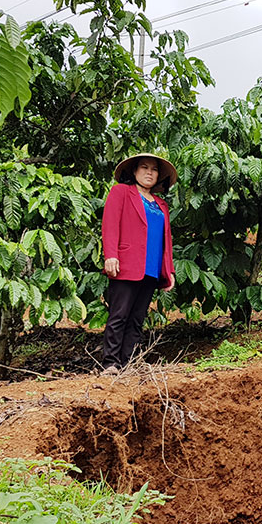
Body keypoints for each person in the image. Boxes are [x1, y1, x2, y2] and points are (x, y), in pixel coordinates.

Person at [100, 153, 177, 372]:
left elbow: (166, 241)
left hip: (151, 268)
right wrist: (111, 255)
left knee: (137, 319)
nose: (149, 172)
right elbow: (110, 223)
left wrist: (168, 270)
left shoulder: (161, 205)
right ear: (134, 171)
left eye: (154, 170)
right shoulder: (121, 192)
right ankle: (111, 363)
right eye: (144, 167)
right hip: (126, 264)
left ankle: (129, 363)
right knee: (119, 315)